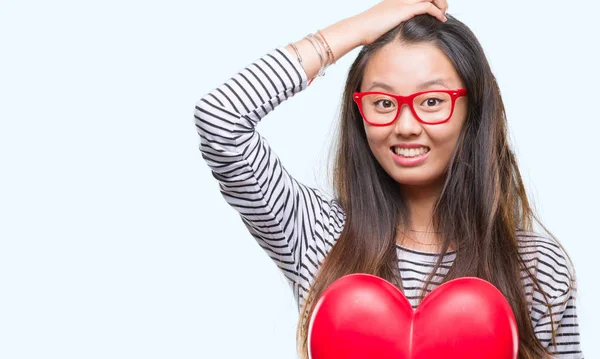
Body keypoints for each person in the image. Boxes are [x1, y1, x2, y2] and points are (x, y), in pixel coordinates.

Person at [194, 1, 583, 358]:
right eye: (383, 103)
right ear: (359, 112)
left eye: (432, 101)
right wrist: (358, 29)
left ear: (473, 109)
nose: (406, 125)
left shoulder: (534, 267)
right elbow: (219, 119)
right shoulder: (316, 234)